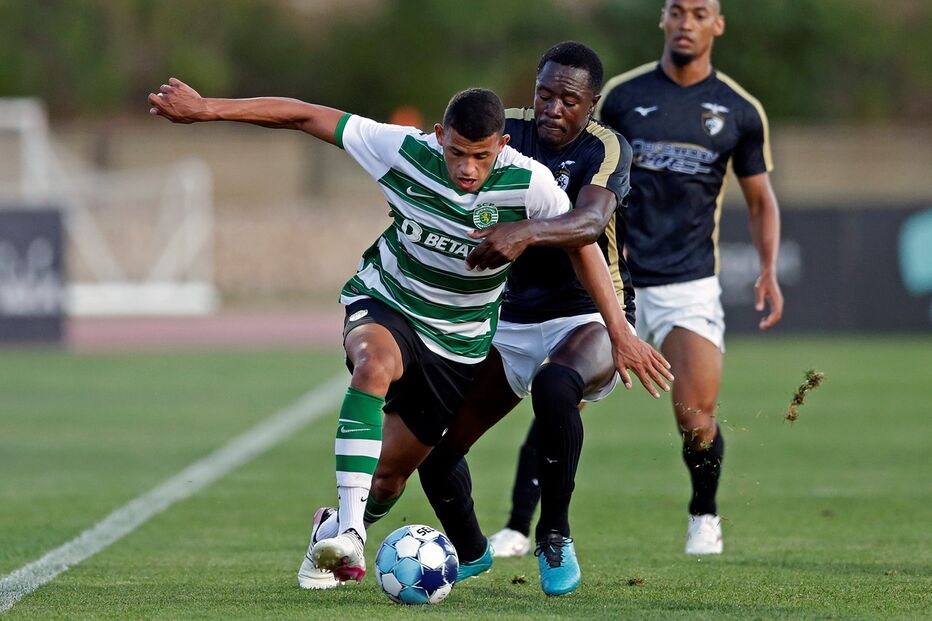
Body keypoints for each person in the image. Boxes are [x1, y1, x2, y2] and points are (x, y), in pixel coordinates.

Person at [147, 80, 653, 588]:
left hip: (458, 342)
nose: (467, 168)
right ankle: (351, 534)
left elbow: (583, 246)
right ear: (440, 136)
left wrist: (619, 331)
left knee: (388, 479)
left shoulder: (531, 183)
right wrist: (207, 109)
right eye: (457, 153)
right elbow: (304, 114)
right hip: (389, 301)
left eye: (480, 156)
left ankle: (334, 527)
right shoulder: (402, 150)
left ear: (501, 146)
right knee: (374, 364)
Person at [337, 41, 673, 597]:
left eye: (569, 100)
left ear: (591, 104)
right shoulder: (502, 132)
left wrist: (527, 235)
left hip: (587, 314)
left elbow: (590, 224)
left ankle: (554, 535)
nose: (553, 109)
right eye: (545, 95)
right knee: (437, 449)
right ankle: (470, 552)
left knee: (557, 387)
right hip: (507, 319)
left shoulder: (606, 148)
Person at [490, 0, 784, 558]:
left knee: (696, 416)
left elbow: (760, 199)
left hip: (686, 281)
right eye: (677, 11)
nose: (687, 22)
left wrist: (768, 268)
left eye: (700, 12)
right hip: (604, 277)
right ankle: (518, 526)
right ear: (663, 19)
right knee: (559, 395)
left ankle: (704, 513)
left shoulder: (740, 111)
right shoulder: (622, 97)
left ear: (718, 24)